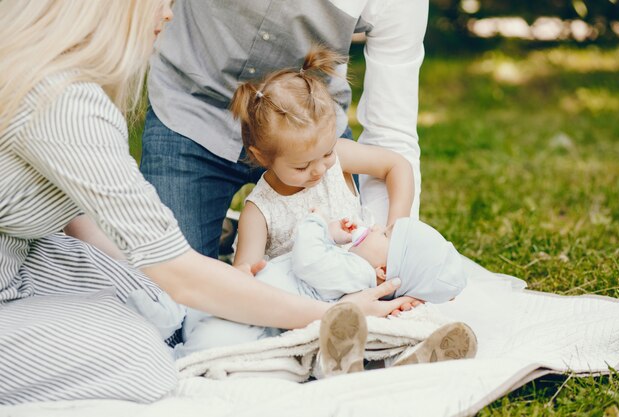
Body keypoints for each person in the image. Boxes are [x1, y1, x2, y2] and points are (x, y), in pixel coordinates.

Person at [0, 0, 413, 405]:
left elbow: (83, 218)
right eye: (158, 1)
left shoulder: (62, 80)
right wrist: (327, 317)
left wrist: (158, 269)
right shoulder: (68, 106)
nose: (170, 11)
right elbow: (181, 274)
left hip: (19, 258)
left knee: (162, 306)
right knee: (147, 359)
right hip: (14, 272)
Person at [141, 0, 427, 259]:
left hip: (310, 130)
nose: (318, 170)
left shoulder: (327, 155)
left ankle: (237, 229)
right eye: (306, 168)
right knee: (168, 292)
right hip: (191, 110)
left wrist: (393, 247)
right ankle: (230, 228)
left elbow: (391, 134)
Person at [180, 212, 477, 377]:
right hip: (260, 314)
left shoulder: (358, 270)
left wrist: (319, 225)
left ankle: (357, 373)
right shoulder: (359, 278)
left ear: (384, 270)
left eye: (384, 234)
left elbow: (308, 261)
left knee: (216, 341)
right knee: (360, 342)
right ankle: (389, 374)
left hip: (253, 323)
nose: (373, 227)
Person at [230, 46, 415, 268]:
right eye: (302, 166)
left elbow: (397, 165)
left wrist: (397, 225)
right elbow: (244, 273)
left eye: (326, 153)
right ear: (261, 157)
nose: (319, 170)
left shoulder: (340, 157)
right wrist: (251, 273)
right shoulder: (259, 212)